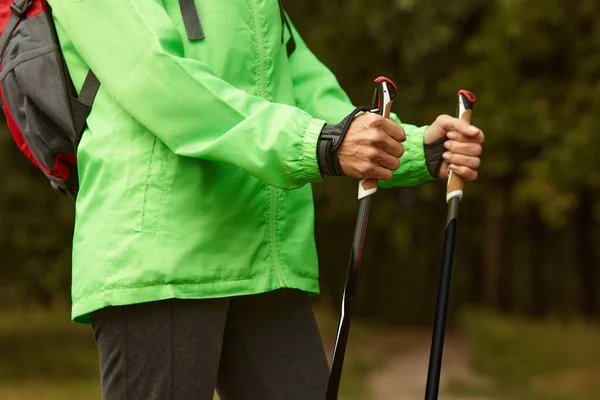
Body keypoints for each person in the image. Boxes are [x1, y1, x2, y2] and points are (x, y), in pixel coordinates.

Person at [48, 0, 484, 399]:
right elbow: (158, 80)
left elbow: (306, 90)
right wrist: (319, 145)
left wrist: (413, 149)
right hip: (160, 258)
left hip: (263, 256)